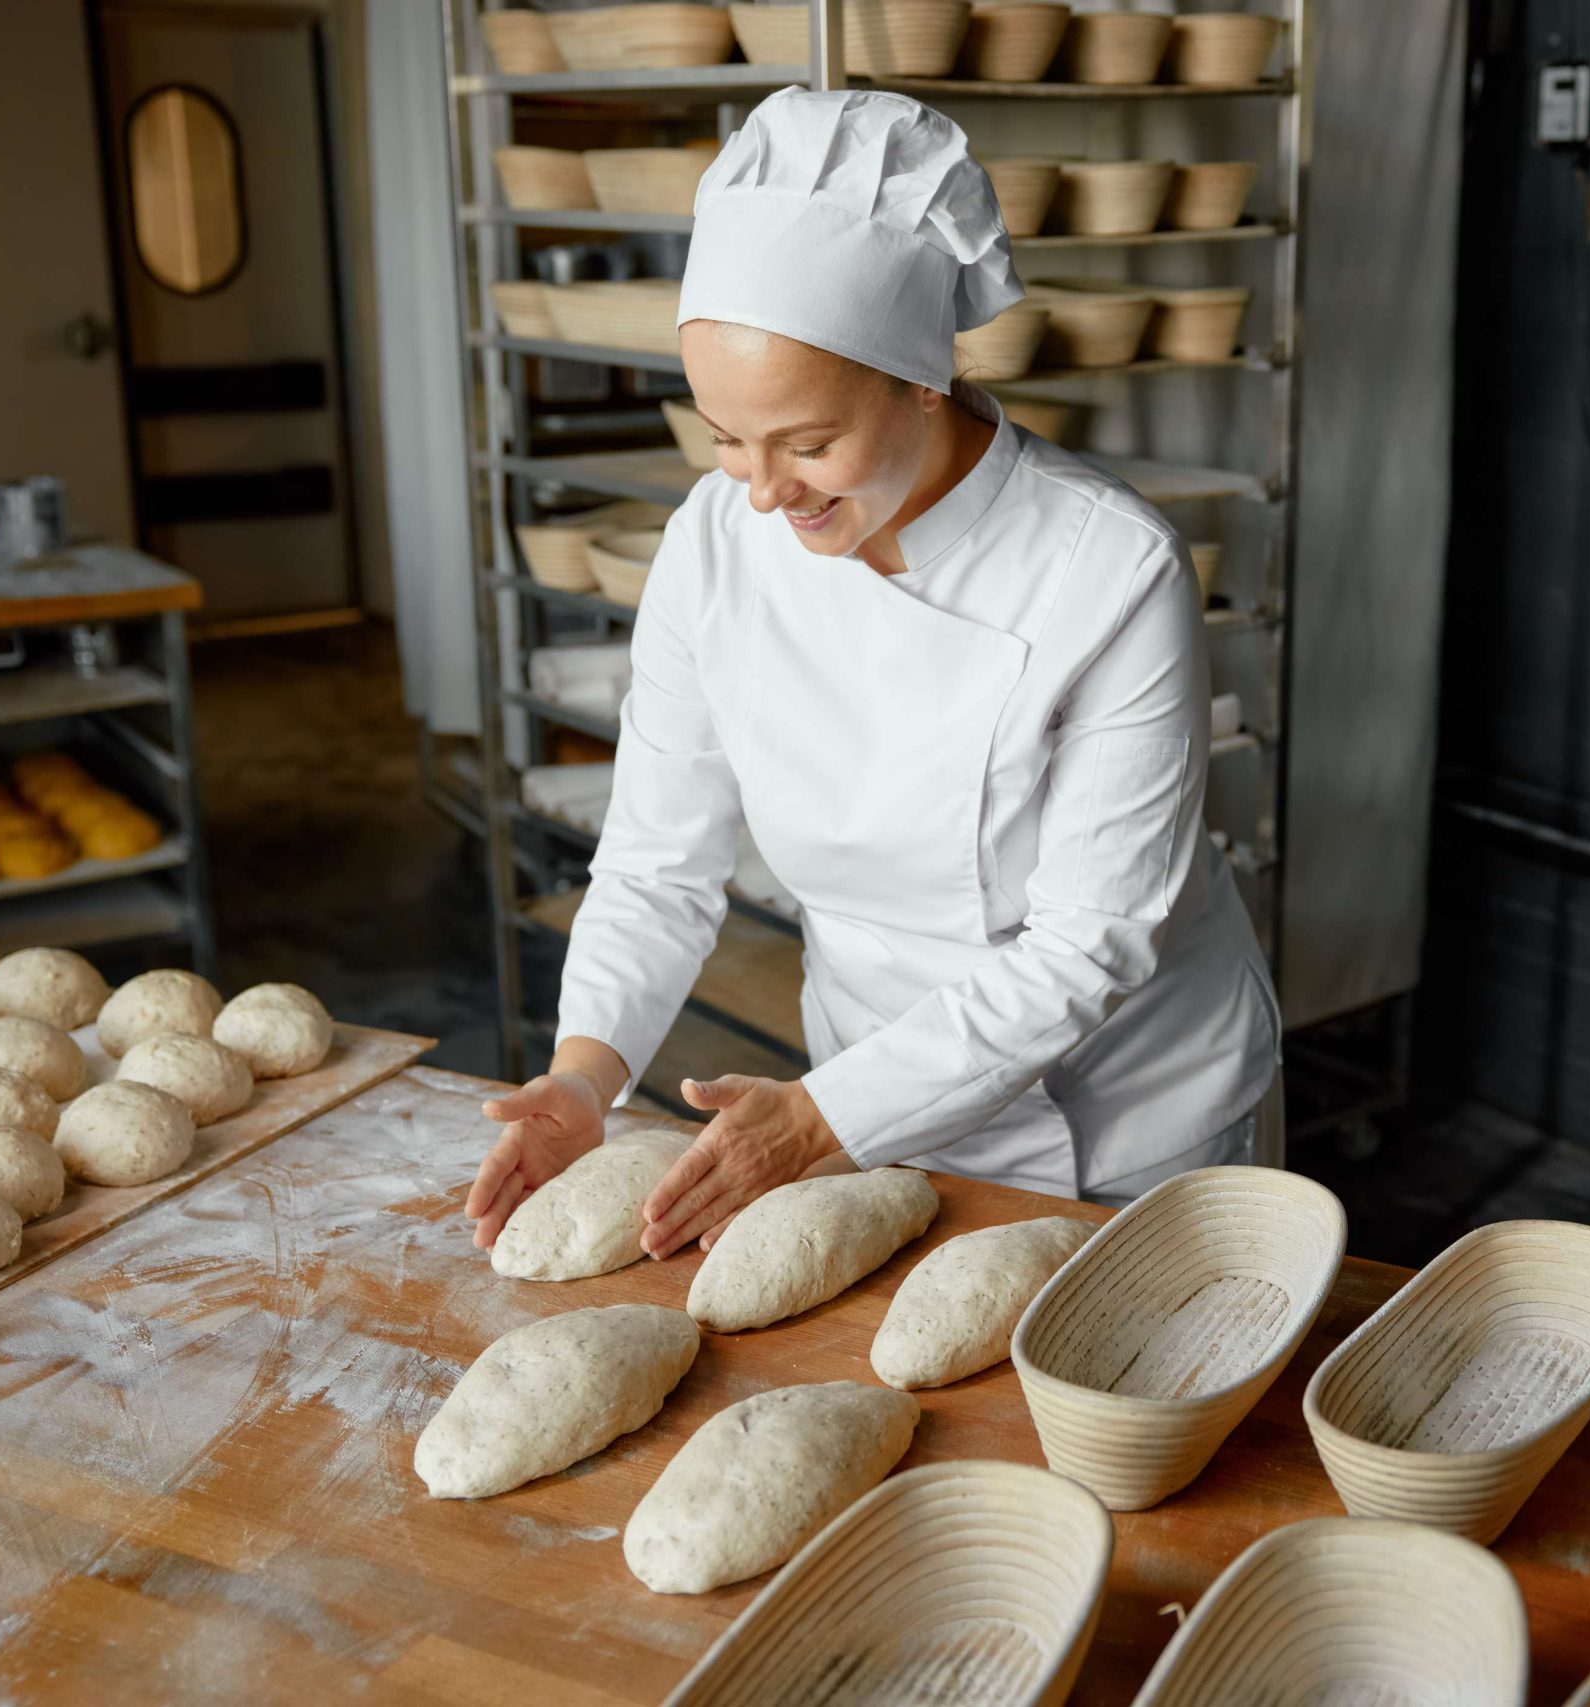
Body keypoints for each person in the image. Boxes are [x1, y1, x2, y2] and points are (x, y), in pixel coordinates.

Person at [466, 87, 1277, 1261]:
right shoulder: (715, 540)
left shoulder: (1109, 568)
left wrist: (819, 1122)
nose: (762, 490)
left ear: (922, 380)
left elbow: (1086, 946)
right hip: (869, 1096)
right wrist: (585, 1074)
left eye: (808, 444)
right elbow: (656, 863)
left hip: (1126, 1115)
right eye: (724, 438)